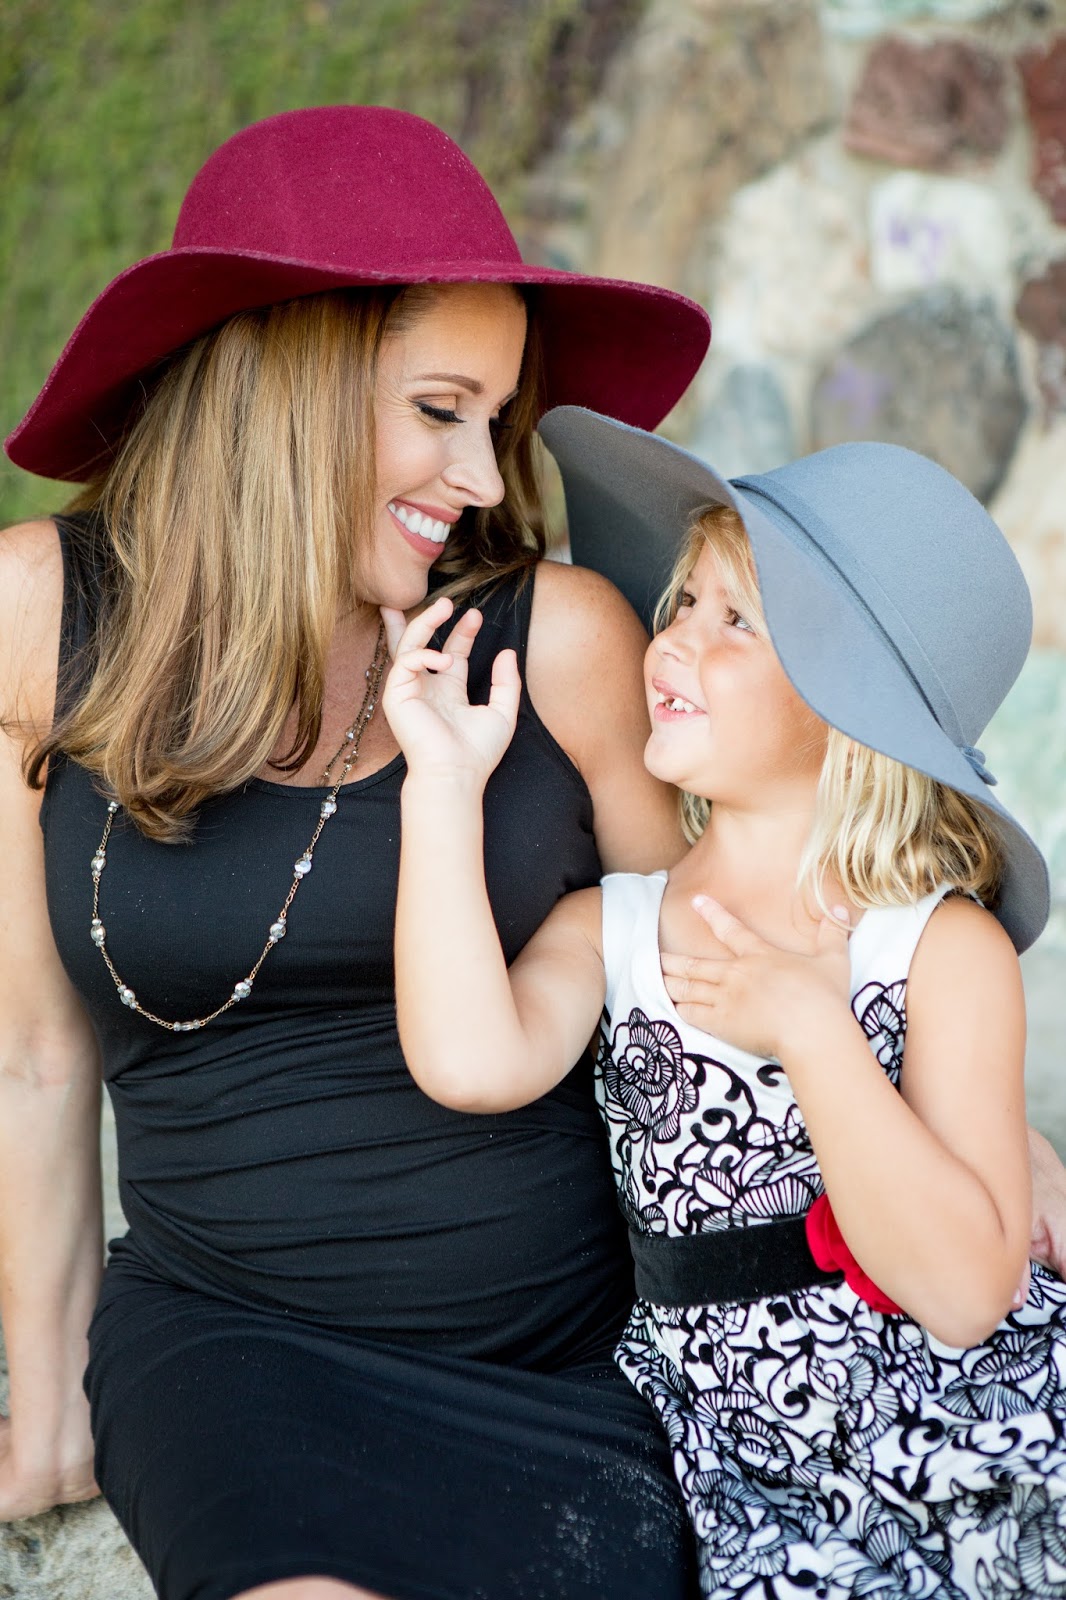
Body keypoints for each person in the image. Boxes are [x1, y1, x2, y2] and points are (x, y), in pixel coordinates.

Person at [0, 107, 714, 1600]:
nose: (480, 475)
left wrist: (959, 1106)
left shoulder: (553, 642)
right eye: (440, 408)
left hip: (567, 1370)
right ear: (291, 382)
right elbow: (32, 1059)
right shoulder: (33, 618)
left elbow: (712, 974)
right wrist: (52, 1397)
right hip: (233, 1355)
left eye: (495, 421)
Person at [387, 405, 1066, 1598]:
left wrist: (811, 1028)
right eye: (683, 604)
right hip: (744, 1452)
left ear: (847, 703)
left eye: (735, 619)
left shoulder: (936, 950)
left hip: (975, 1416)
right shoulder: (615, 929)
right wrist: (440, 785)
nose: (672, 642)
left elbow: (966, 1296)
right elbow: (467, 1060)